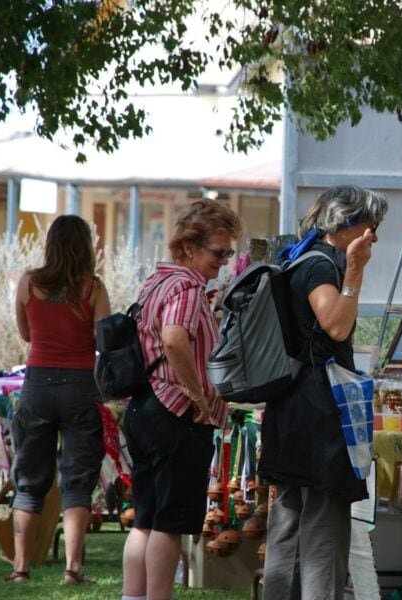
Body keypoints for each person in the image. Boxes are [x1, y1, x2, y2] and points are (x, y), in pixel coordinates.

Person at [259, 184, 388, 600]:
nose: (375, 237)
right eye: (372, 226)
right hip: (317, 412)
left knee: (289, 526)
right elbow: (335, 324)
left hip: (291, 406)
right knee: (322, 535)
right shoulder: (321, 266)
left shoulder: (298, 258)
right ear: (347, 225)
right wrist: (355, 271)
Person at [121, 199, 242, 600]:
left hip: (143, 408)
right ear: (190, 247)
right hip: (174, 413)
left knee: (146, 518)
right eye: (217, 251)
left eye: (228, 253)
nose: (223, 261)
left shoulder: (158, 280)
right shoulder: (188, 286)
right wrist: (198, 395)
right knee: (168, 523)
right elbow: (174, 339)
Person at [10, 215, 111, 584]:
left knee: (29, 479)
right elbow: (104, 342)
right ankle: (72, 568)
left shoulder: (29, 282)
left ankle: (20, 568)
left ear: (50, 244)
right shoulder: (93, 288)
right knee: (78, 479)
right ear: (85, 246)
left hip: (37, 384)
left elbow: (25, 334)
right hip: (80, 385)